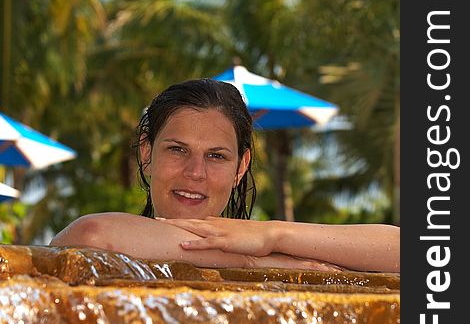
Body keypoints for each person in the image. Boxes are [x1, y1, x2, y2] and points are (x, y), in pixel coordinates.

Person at [50, 79, 399, 273]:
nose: (195, 172)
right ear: (146, 152)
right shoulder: (112, 238)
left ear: (241, 167)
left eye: (216, 156)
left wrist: (272, 235)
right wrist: (258, 262)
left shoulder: (273, 243)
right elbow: (92, 235)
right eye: (177, 149)